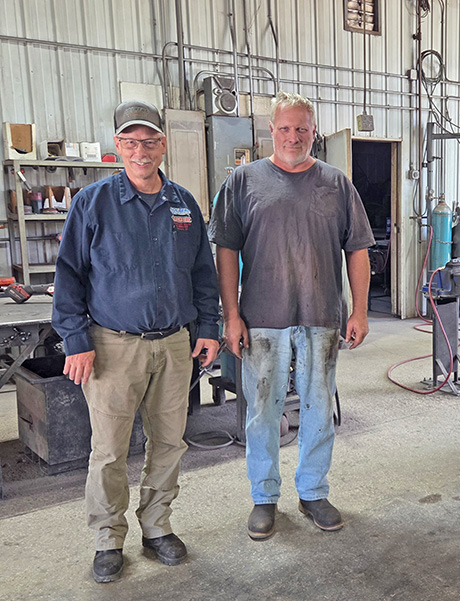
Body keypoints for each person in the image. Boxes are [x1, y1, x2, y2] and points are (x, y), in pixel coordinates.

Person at [52, 100, 220, 583]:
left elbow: (203, 273)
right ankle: (108, 537)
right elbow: (69, 275)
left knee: (169, 442)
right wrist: (75, 338)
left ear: (163, 145)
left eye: (149, 141)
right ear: (117, 146)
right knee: (109, 450)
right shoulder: (93, 203)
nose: (140, 151)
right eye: (130, 142)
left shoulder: (184, 204)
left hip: (174, 344)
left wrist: (209, 327)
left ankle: (157, 526)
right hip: (112, 346)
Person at [209, 91, 374, 540]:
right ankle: (264, 496)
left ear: (314, 132)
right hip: (262, 316)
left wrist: (360, 311)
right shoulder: (243, 181)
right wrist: (231, 316)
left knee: (319, 407)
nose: (293, 136)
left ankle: (313, 491)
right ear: (271, 131)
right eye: (285, 128)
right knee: (263, 411)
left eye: (302, 128)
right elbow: (226, 251)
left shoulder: (337, 184)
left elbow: (358, 249)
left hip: (322, 316)